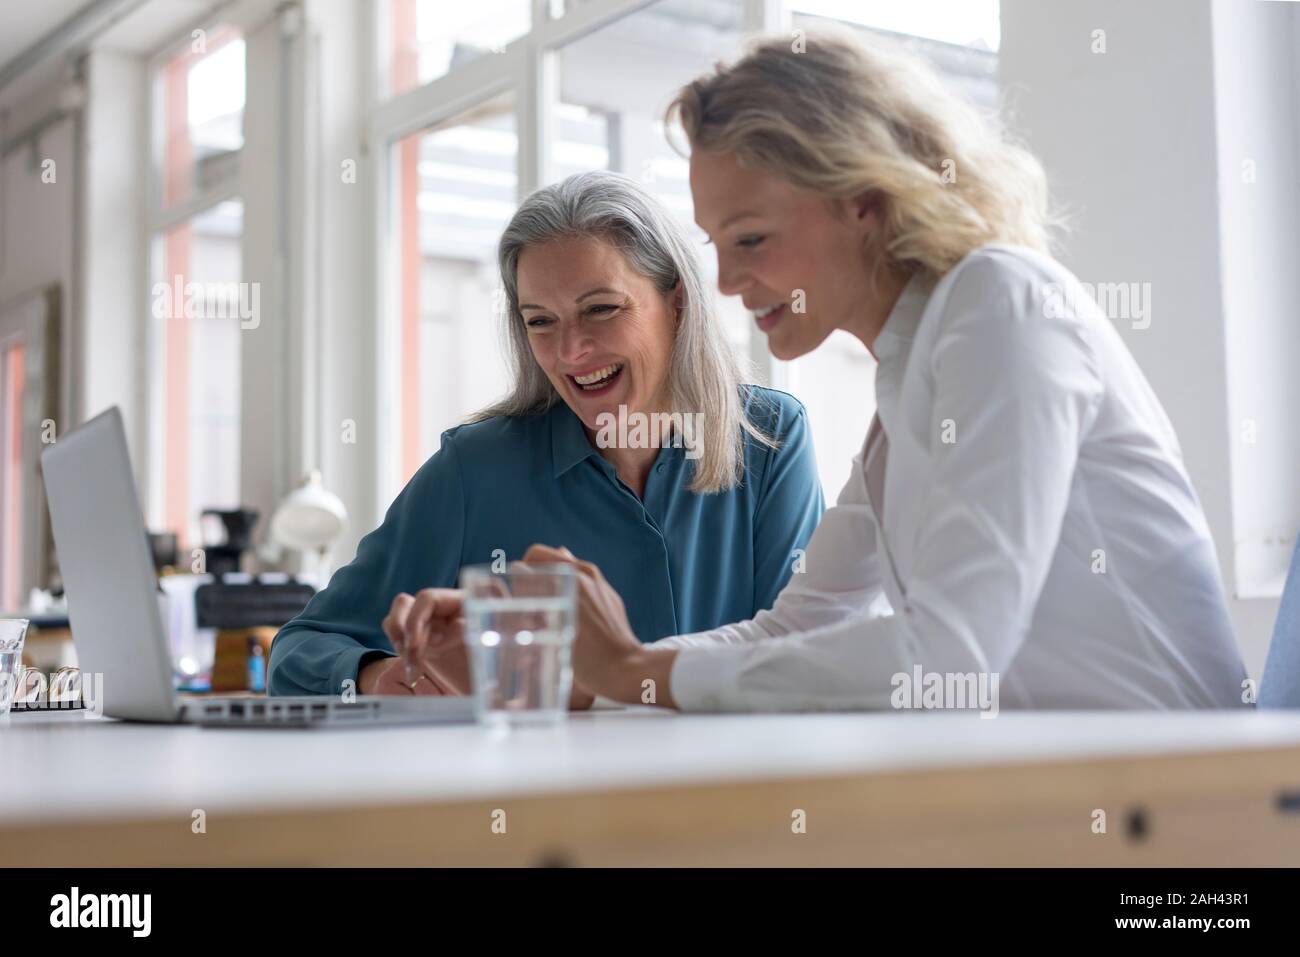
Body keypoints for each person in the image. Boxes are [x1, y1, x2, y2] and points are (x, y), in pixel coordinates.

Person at [500, 30, 1248, 711]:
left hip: (1180, 797)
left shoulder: (1003, 302)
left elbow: (949, 656)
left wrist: (635, 667)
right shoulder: (911, 374)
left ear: (863, 199)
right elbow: (798, 622)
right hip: (1068, 786)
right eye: (716, 245)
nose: (725, 281)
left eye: (752, 238)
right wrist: (598, 681)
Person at [267, 171, 824, 699]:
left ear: (675, 302)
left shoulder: (770, 439)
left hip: (727, 793)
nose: (570, 351)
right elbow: (300, 649)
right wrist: (374, 674)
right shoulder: (477, 468)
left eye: (601, 309)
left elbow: (799, 658)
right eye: (540, 320)